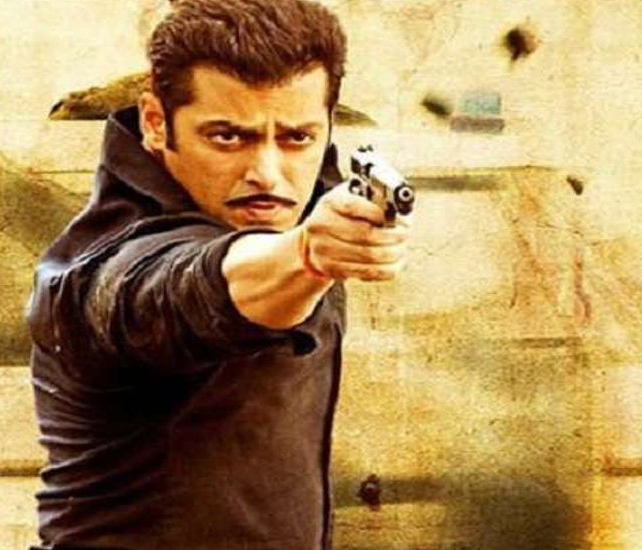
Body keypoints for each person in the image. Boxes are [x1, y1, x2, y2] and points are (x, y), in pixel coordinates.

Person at [27, 0, 410, 549]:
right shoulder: (104, 269)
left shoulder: (305, 203)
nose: (267, 175)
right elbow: (190, 287)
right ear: (155, 123)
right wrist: (306, 256)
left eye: (297, 138)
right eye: (228, 138)